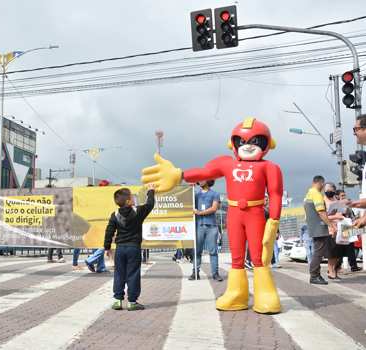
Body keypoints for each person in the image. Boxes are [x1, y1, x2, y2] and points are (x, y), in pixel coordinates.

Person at [142, 118, 284, 314]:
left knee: (260, 257)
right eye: (242, 141)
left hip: (256, 213)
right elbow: (205, 172)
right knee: (236, 257)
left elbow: (276, 194)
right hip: (234, 214)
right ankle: (237, 293)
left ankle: (265, 294)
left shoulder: (270, 167)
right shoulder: (226, 163)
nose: (248, 146)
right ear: (232, 143)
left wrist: (274, 220)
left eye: (255, 141)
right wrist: (180, 174)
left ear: (268, 143)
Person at [105, 184, 155, 311]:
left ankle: (117, 300)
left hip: (120, 248)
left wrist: (107, 247)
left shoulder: (114, 214)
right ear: (128, 201)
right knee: (133, 274)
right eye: (132, 197)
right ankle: (132, 302)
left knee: (119, 274)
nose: (134, 198)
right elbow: (150, 205)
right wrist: (151, 191)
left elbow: (109, 231)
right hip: (134, 248)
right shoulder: (138, 211)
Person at [304, 176, 337, 285]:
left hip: (313, 226)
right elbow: (321, 212)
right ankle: (314, 276)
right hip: (319, 227)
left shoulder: (309, 193)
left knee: (317, 251)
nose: (323, 187)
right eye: (323, 185)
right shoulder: (317, 194)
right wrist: (330, 224)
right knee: (318, 252)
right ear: (321, 183)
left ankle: (315, 275)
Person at [190, 180, 223, 281]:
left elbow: (214, 208)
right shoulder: (195, 195)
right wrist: (189, 189)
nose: (200, 181)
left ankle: (215, 274)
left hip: (211, 227)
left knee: (213, 251)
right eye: (199, 179)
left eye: (202, 179)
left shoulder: (215, 194)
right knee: (197, 251)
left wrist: (200, 213)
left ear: (208, 180)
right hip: (199, 226)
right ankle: (195, 273)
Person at [324, 182, 345, 280]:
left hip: (339, 228)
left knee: (338, 253)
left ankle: (334, 270)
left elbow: (341, 211)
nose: (329, 191)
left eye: (331, 190)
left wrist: (340, 213)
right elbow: (322, 216)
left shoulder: (336, 199)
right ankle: (330, 271)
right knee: (331, 253)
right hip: (329, 229)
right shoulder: (323, 201)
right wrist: (335, 216)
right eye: (327, 190)